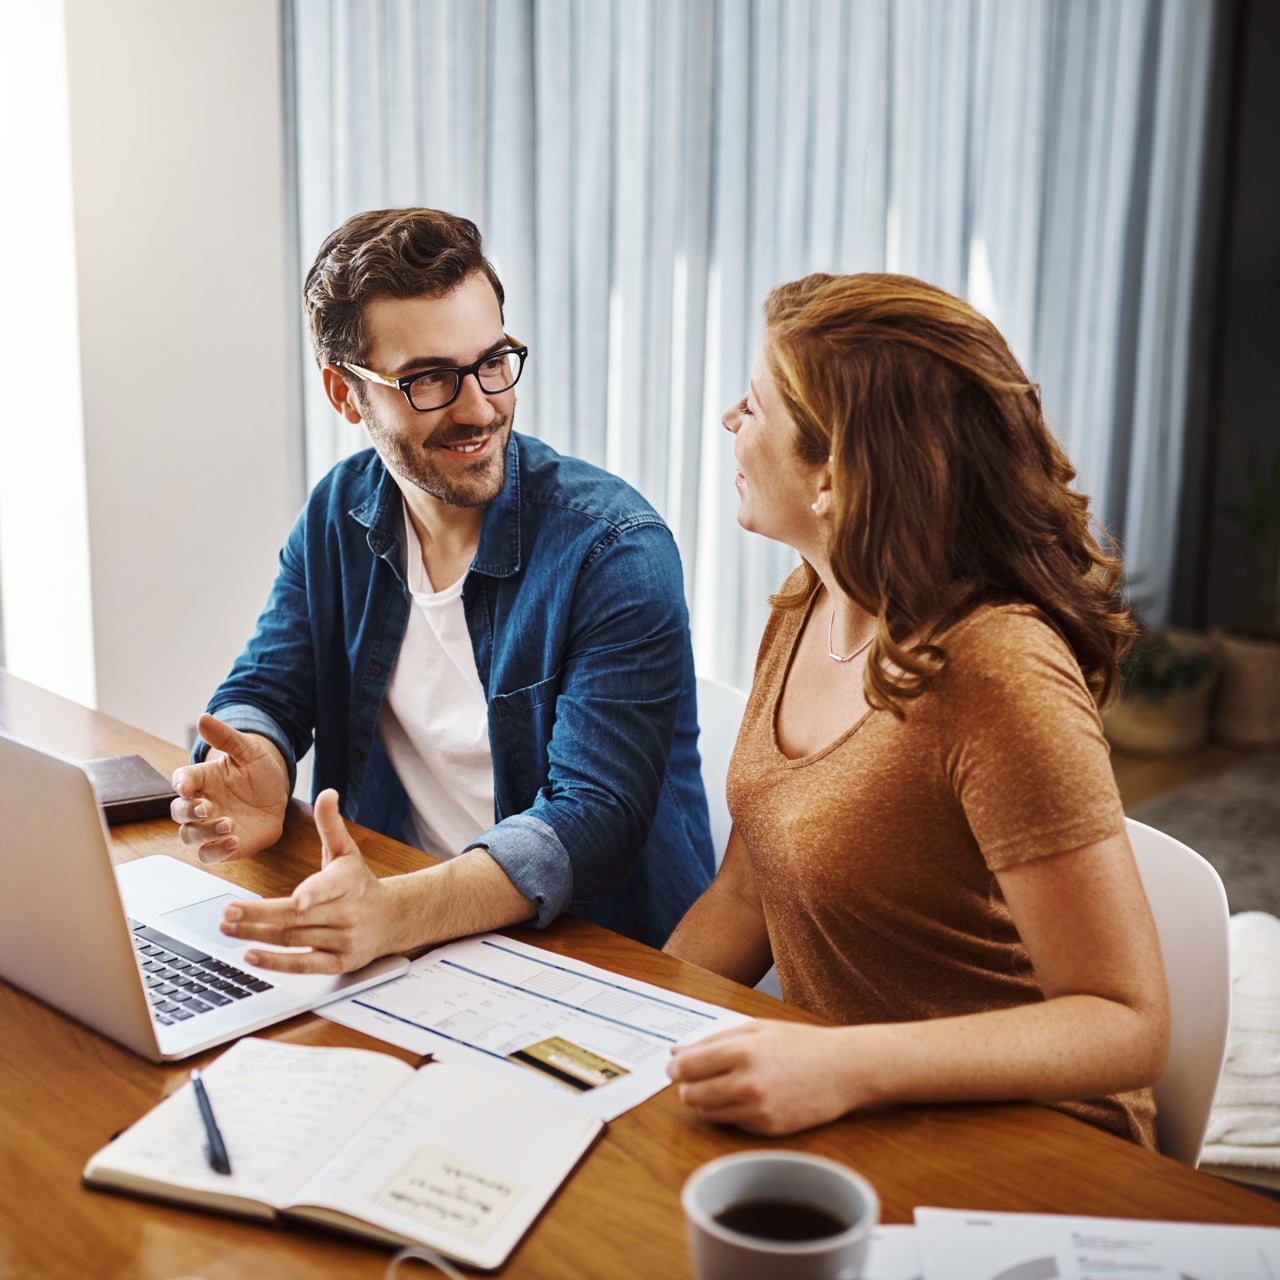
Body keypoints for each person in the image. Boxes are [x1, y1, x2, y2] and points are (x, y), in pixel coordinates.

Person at [664, 272, 1170, 1148]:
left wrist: (846, 1066)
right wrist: (619, 1035)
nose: (728, 423)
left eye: (752, 407)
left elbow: (1126, 1022)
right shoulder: (806, 606)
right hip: (860, 1115)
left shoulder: (999, 669)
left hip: (1038, 1147)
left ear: (831, 475)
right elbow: (747, 895)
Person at [170, 207, 713, 965]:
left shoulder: (614, 550)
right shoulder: (341, 510)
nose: (480, 407)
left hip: (589, 961)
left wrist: (398, 913)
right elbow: (269, 684)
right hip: (403, 934)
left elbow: (593, 819)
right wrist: (256, 761)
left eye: (494, 361)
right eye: (430, 380)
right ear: (344, 393)